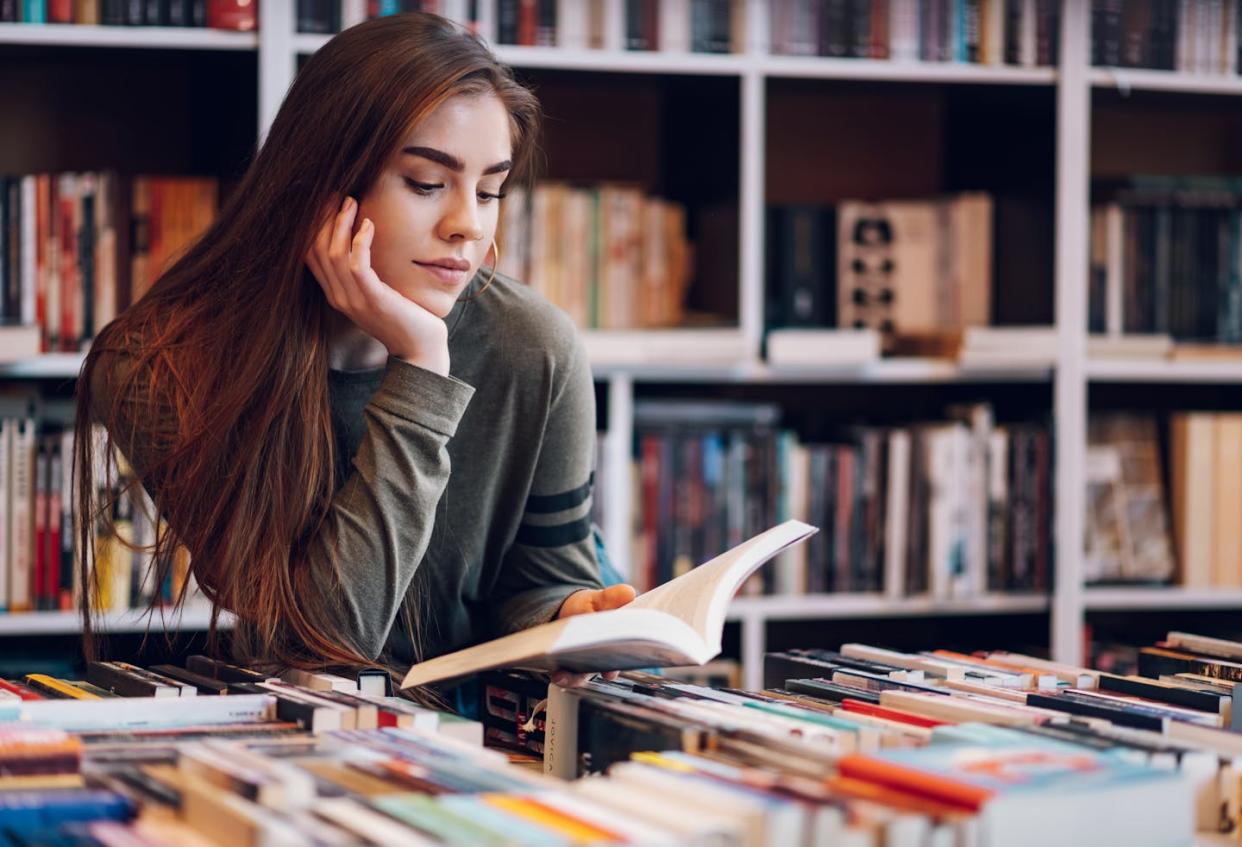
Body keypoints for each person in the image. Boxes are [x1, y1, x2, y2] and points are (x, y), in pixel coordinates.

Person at [75, 11, 635, 698]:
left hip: (496, 733)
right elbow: (330, 637)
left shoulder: (533, 348)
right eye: (428, 183)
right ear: (321, 182)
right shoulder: (157, 368)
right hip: (315, 740)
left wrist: (571, 613)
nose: (467, 224)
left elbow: (544, 575)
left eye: (489, 190)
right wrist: (423, 366)